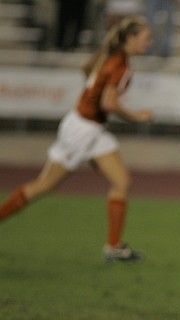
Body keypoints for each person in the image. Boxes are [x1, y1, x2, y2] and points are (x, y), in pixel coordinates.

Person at [0, 16, 153, 261]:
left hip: (91, 128)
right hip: (82, 131)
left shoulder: (109, 55)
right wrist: (137, 117)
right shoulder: (121, 66)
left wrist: (93, 94)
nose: (149, 43)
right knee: (44, 186)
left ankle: (114, 248)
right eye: (146, 38)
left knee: (122, 181)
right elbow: (109, 103)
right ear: (130, 38)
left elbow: (85, 71)